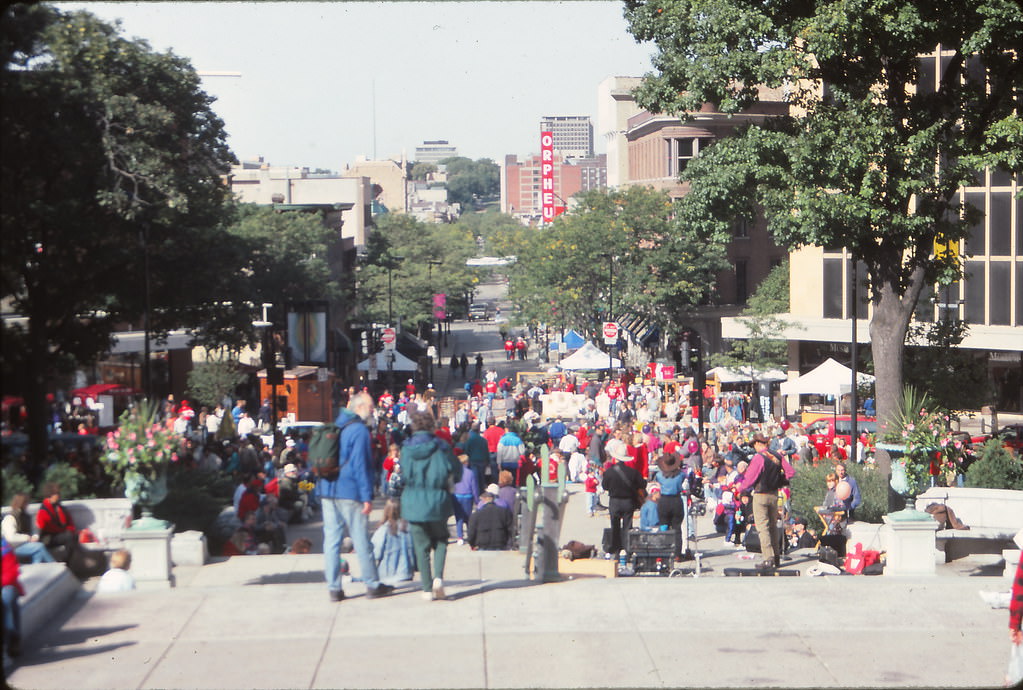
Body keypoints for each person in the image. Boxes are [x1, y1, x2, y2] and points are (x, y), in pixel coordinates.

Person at [316, 392, 393, 602]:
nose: (372, 412)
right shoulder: (358, 430)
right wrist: (367, 496)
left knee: (331, 540)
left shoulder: (333, 425)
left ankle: (334, 588)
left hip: (327, 488)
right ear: (359, 407)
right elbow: (361, 465)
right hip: (350, 491)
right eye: (370, 408)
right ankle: (372, 584)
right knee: (360, 539)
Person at [399, 409, 462, 601]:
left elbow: (403, 475)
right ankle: (438, 579)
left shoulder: (406, 449)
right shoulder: (442, 446)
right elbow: (457, 471)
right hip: (438, 499)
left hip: (413, 500)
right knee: (441, 540)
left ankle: (426, 588)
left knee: (421, 546)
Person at [738, 432, 795, 570]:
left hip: (761, 494)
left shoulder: (759, 458)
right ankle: (776, 557)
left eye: (754, 445)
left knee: (762, 527)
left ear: (758, 444)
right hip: (774, 494)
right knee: (773, 526)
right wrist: (781, 480)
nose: (754, 448)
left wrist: (742, 488)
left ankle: (768, 558)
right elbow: (790, 472)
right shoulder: (777, 455)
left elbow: (751, 478)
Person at [601, 438, 646, 556]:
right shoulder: (633, 472)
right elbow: (642, 484)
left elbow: (605, 486)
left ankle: (615, 548)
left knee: (614, 526)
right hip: (628, 501)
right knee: (627, 526)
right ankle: (627, 549)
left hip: (615, 501)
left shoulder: (609, 472)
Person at [371, 499, 416, 586]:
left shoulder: (383, 529)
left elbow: (376, 553)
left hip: (387, 574)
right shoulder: (408, 527)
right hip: (406, 573)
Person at [651, 452, 686, 562]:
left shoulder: (659, 476)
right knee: (677, 528)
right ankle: (677, 554)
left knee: (663, 526)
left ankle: (662, 552)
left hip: (664, 501)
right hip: (676, 500)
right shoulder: (681, 475)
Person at [3, 493, 55, 564]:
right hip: (13, 548)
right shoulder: (10, 518)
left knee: (38, 552)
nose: (27, 504)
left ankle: (36, 569)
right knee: (39, 547)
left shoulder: (26, 516)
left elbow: (34, 530)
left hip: (26, 544)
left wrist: (35, 537)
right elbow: (10, 538)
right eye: (26, 502)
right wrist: (27, 538)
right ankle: (53, 564)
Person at [35, 483, 77, 562]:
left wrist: (70, 529)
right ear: (50, 495)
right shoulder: (43, 510)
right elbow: (47, 527)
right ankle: (65, 562)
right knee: (69, 537)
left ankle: (65, 561)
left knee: (73, 536)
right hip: (48, 538)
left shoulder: (60, 507)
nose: (59, 496)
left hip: (59, 535)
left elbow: (69, 522)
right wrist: (65, 531)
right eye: (57, 494)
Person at [2, 537, 24, 658]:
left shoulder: (4, 546)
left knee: (8, 595)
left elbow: (10, 573)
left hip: (6, 585)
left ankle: (13, 638)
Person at [451, 454, 479, 545]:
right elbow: (474, 487)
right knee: (468, 518)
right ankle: (470, 536)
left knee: (459, 518)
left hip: (457, 496)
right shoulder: (470, 473)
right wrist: (476, 500)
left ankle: (460, 537)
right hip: (468, 497)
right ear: (466, 462)